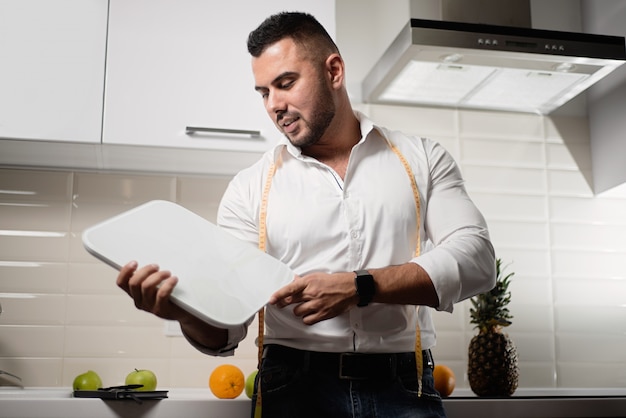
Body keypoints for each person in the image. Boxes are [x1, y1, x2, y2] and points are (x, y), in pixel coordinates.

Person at [116, 11, 496, 418]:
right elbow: (225, 328)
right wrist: (183, 312)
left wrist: (360, 286)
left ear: (333, 70)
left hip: (403, 386)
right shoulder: (249, 188)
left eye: (285, 83)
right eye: (263, 92)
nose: (274, 105)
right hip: (294, 388)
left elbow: (476, 258)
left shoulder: (421, 158)